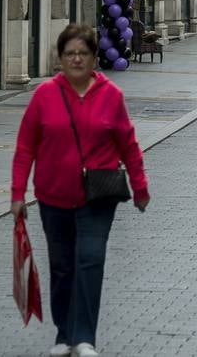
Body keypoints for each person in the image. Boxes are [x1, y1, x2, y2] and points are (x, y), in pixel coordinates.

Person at [11, 23, 150, 357]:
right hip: (52, 197)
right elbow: (25, 146)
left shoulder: (111, 96)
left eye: (82, 53)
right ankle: (64, 335)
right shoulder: (44, 95)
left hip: (97, 196)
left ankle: (84, 337)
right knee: (62, 267)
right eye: (69, 53)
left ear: (94, 58)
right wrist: (17, 194)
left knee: (90, 259)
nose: (76, 59)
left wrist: (140, 186)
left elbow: (128, 144)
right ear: (60, 58)